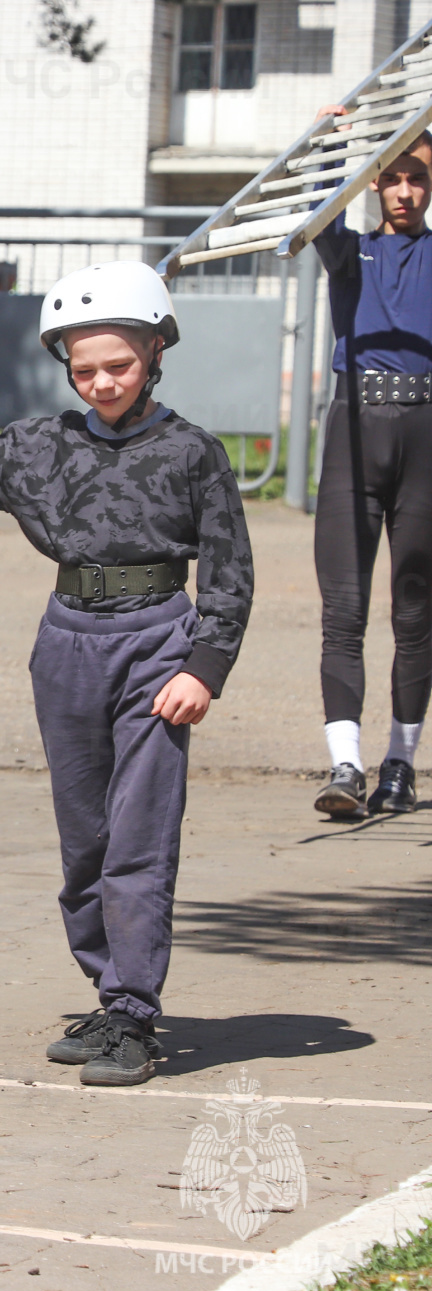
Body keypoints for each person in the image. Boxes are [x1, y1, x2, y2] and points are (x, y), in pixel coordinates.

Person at [0, 261, 254, 1086]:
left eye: (120, 364)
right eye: (85, 366)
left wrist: (204, 667)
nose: (101, 380)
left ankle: (134, 1012)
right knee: (85, 843)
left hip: (156, 645)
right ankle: (108, 992)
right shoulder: (43, 445)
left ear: (156, 357)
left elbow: (232, 569)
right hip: (66, 645)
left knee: (138, 837)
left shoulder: (192, 452)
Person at [308, 111, 432, 819]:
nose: (405, 192)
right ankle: (345, 765)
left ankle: (401, 765)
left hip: (425, 431)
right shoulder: (350, 254)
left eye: (418, 179)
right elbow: (317, 217)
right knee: (343, 606)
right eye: (392, 178)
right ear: (374, 185)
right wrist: (330, 144)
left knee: (415, 606)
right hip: (354, 426)